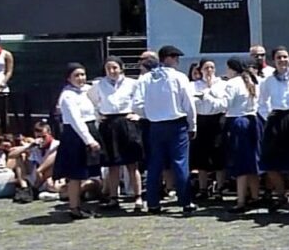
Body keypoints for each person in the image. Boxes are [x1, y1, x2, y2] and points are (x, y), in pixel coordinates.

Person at [133, 45, 198, 216]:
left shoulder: (146, 79)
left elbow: (136, 105)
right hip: (176, 124)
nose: (177, 60)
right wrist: (193, 125)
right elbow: (188, 104)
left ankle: (153, 203)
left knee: (155, 164)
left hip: (155, 125)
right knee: (180, 163)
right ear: (167, 58)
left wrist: (151, 114)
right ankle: (185, 201)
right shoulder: (179, 77)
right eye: (175, 57)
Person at [87, 56, 144, 210]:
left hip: (126, 122)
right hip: (109, 124)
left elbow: (141, 100)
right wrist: (99, 115)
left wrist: (138, 115)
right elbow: (90, 101)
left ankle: (137, 196)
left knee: (132, 163)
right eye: (108, 68)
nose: (112, 71)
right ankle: (113, 197)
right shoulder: (99, 85)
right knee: (112, 164)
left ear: (121, 68)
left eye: (115, 68)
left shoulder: (132, 83)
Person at [53, 63, 102, 220]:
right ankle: (74, 207)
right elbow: (76, 120)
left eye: (83, 74)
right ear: (68, 78)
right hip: (76, 136)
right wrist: (89, 140)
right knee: (75, 174)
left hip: (89, 128)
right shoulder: (67, 96)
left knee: (87, 173)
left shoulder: (85, 91)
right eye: (76, 75)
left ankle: (80, 203)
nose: (81, 78)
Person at [259, 47, 289, 201]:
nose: (282, 60)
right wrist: (268, 117)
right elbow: (261, 102)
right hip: (276, 119)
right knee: (270, 162)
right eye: (279, 58)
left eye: (285, 57)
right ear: (274, 60)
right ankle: (281, 194)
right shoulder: (268, 81)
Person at [221, 57, 263, 213]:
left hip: (237, 122)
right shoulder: (253, 81)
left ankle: (241, 200)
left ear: (232, 68)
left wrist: (207, 99)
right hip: (253, 121)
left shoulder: (232, 84)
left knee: (240, 162)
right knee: (252, 161)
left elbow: (225, 104)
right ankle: (255, 196)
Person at [190, 59, 228, 200]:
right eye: (206, 68)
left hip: (217, 120)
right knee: (201, 156)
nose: (209, 70)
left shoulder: (222, 84)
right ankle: (203, 188)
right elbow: (192, 103)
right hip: (201, 120)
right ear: (201, 70)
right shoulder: (194, 85)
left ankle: (219, 188)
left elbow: (223, 105)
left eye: (212, 67)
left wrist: (209, 94)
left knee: (218, 155)